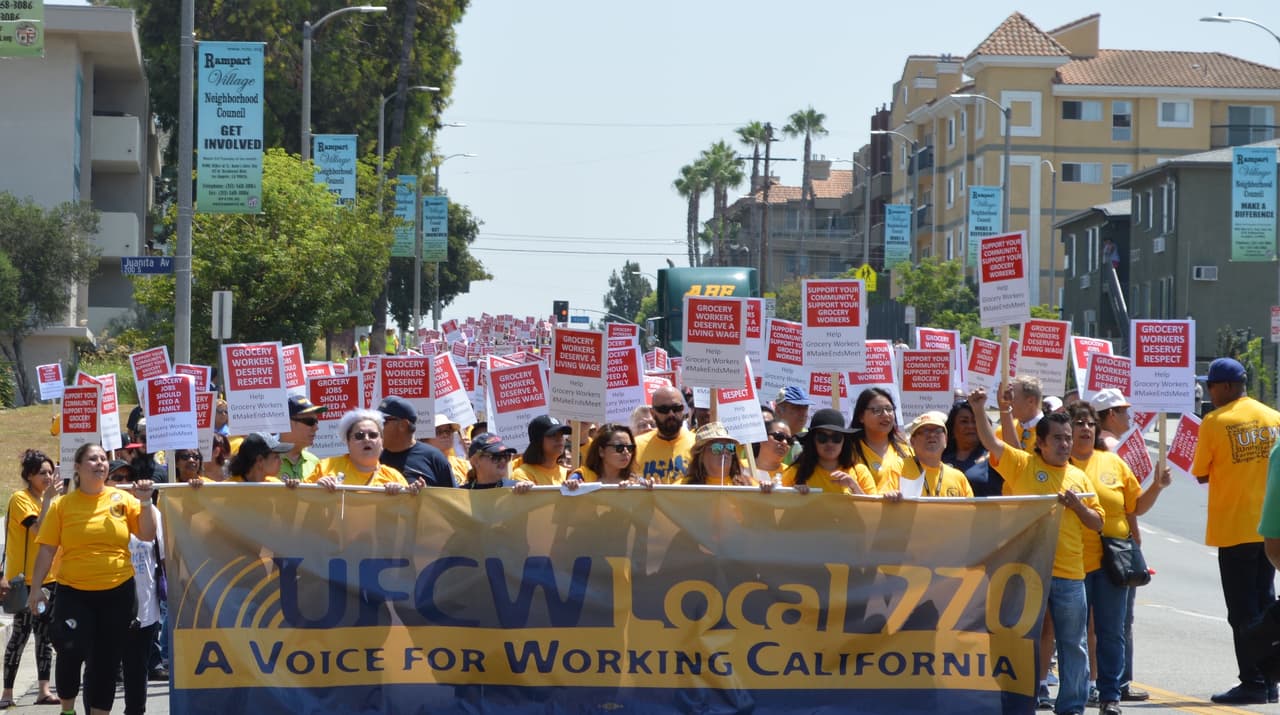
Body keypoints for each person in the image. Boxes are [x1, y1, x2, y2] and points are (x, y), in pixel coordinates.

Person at [969, 387, 1103, 715]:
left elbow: (1098, 522)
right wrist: (979, 408)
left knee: (1073, 644)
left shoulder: (1079, 478)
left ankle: (1071, 706)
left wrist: (1078, 508)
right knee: (1021, 643)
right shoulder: (1022, 465)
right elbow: (991, 442)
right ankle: (1019, 703)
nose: (1065, 444)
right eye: (1057, 438)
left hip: (1070, 575)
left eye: (1068, 438)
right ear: (1040, 443)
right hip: (1028, 573)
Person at [28, 443, 157, 715]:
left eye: (103, 459)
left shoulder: (123, 501)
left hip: (118, 592)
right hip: (74, 592)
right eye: (92, 459)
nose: (100, 463)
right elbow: (47, 549)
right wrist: (36, 588)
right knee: (70, 651)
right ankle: (67, 709)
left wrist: (145, 501)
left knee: (105, 661)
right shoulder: (63, 505)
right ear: (77, 467)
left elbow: (147, 535)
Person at [1067, 402, 1170, 715]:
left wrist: (1157, 485)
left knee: (1111, 630)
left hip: (1112, 562)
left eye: (1089, 423)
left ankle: (1110, 694)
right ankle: (1077, 692)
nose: (1085, 428)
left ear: (1097, 429)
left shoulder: (1113, 463)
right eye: (1078, 423)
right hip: (1071, 562)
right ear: (1065, 431)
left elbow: (1135, 507)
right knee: (1074, 633)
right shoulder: (1058, 465)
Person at [1191, 357, 1280, 704]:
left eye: (1212, 386)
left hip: (1235, 528)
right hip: (1270, 528)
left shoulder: (1214, 422)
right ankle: (1271, 679)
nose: (1209, 392)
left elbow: (1200, 472)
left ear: (1227, 387)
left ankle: (1253, 681)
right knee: (1266, 602)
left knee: (1241, 611)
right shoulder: (1274, 417)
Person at [0, 450, 61, 707]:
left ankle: (43, 690)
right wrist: (48, 501)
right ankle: (7, 694)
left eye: (50, 472)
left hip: (49, 578)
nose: (48, 477)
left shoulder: (53, 500)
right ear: (29, 476)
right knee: (21, 635)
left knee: (44, 635)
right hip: (24, 581)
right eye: (42, 473)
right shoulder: (21, 499)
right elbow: (39, 532)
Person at [119, 475, 166, 711]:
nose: (125, 484)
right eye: (117, 479)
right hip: (105, 604)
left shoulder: (151, 512)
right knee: (101, 672)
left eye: (128, 479)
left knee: (137, 673)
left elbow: (164, 556)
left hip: (144, 608)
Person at [308, 410, 414, 493]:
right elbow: (300, 501)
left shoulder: (394, 477)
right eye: (359, 436)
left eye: (373, 435)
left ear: (382, 442)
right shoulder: (325, 467)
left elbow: (409, 514)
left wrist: (400, 495)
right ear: (348, 442)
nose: (367, 439)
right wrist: (316, 490)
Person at [781, 408, 878, 495]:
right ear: (813, 441)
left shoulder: (859, 472)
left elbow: (874, 511)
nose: (830, 443)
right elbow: (778, 506)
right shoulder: (796, 472)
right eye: (822, 437)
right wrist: (793, 496)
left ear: (844, 441)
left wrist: (854, 487)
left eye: (836, 437)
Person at [879, 411, 974, 497]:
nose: (932, 435)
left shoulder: (958, 477)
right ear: (912, 441)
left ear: (945, 440)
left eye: (937, 431)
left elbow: (972, 512)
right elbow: (880, 500)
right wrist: (889, 497)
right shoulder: (897, 468)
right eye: (925, 431)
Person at [377, 397, 454, 488]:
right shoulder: (372, 459)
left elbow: (452, 498)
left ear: (403, 425)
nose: (376, 426)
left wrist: (423, 494)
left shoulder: (434, 457)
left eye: (382, 421)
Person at [849, 387, 911, 486]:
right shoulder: (850, 452)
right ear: (861, 417)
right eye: (877, 410)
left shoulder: (906, 450)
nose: (886, 414)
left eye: (889, 409)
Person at [634, 386, 695, 483]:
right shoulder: (636, 446)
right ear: (653, 413)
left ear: (683, 409)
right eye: (664, 409)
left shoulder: (698, 444)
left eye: (676, 408)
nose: (671, 414)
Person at [941, 400, 999, 496]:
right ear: (952, 428)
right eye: (964, 421)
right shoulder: (940, 459)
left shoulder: (994, 456)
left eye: (975, 421)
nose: (970, 426)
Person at [680, 423, 760, 487]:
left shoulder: (749, 485)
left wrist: (767, 491)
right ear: (701, 455)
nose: (725, 451)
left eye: (730, 447)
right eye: (717, 447)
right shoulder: (683, 487)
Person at [565, 423, 646, 486]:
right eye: (619, 447)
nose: (626, 452)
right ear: (601, 451)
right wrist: (572, 488)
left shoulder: (636, 482)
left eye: (630, 447)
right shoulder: (581, 477)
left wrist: (648, 492)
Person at [512, 415, 571, 486]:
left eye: (561, 434)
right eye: (552, 435)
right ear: (537, 441)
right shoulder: (523, 474)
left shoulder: (568, 474)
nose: (559, 439)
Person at [462, 433, 532, 491]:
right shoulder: (461, 494)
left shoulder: (517, 489)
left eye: (506, 455)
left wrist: (532, 492)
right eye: (495, 456)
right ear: (476, 461)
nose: (503, 460)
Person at [278, 396, 325, 481]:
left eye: (316, 421)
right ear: (287, 423)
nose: (316, 427)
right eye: (310, 421)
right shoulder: (265, 462)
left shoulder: (314, 462)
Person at [997, 375, 1045, 452]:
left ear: (1031, 401)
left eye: (1011, 397)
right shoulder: (1002, 430)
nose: (1007, 401)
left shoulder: (1049, 433)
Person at [424, 414, 471, 486]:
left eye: (448, 431)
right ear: (425, 439)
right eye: (438, 432)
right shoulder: (422, 466)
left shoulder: (464, 465)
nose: (445, 435)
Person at [773, 386, 814, 465]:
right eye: (796, 407)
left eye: (805, 407)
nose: (803, 413)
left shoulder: (811, 440)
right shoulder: (764, 440)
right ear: (778, 411)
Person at [751, 418, 793, 484]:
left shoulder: (792, 474)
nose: (785, 442)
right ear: (762, 438)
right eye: (779, 436)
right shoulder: (740, 468)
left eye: (789, 440)